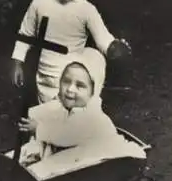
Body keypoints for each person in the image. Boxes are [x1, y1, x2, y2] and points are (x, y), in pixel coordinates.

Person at [11, 0, 132, 105]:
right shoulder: (40, 3)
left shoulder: (87, 10)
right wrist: (17, 62)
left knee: (94, 57)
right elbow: (26, 34)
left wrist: (113, 48)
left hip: (72, 79)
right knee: (49, 119)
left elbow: (102, 39)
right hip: (46, 79)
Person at [16, 48, 145, 167]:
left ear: (93, 92)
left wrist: (39, 129)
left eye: (80, 86)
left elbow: (68, 135)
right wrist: (34, 118)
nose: (70, 89)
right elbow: (49, 113)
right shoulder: (64, 107)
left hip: (93, 158)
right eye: (66, 81)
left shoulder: (92, 117)